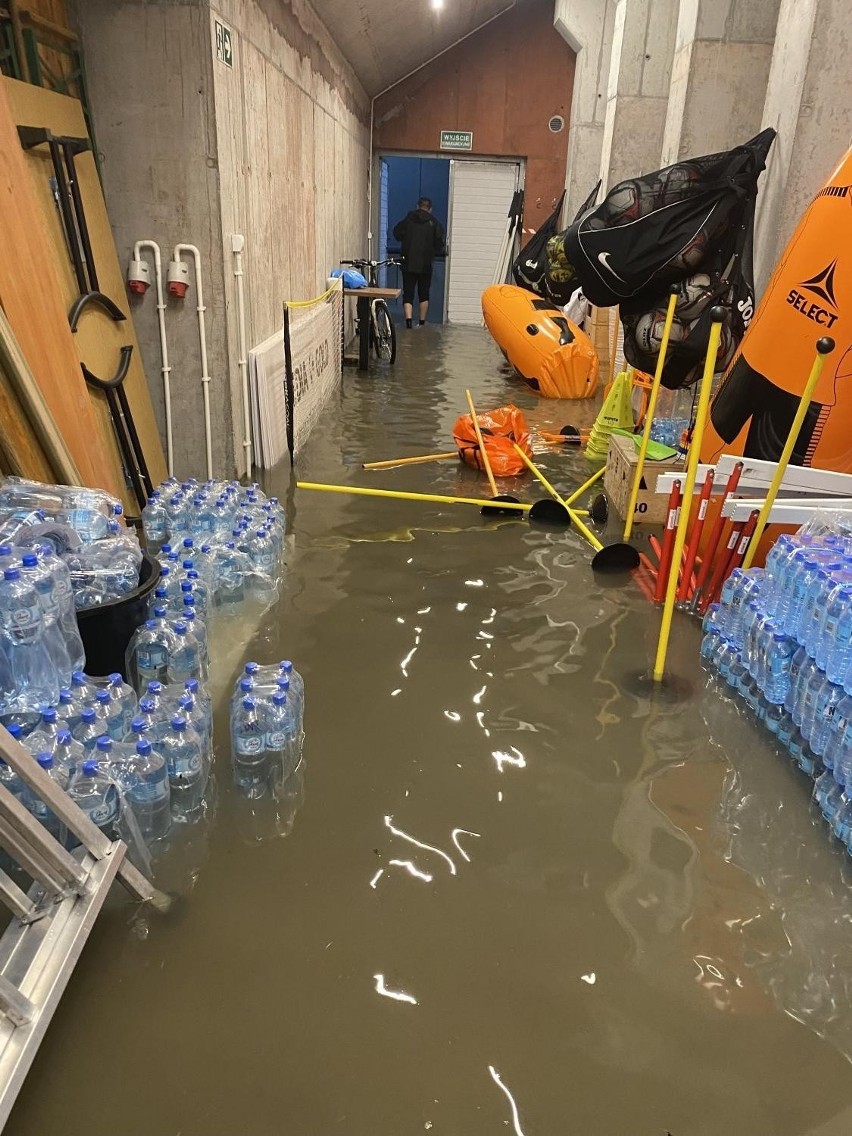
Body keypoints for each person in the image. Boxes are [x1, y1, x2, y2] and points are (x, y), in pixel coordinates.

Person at [392, 197, 445, 328]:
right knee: (424, 293)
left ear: (417, 206)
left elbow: (396, 233)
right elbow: (439, 244)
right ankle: (421, 323)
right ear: (430, 209)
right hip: (425, 265)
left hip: (408, 263)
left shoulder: (408, 220)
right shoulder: (434, 223)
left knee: (408, 293)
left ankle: (408, 322)